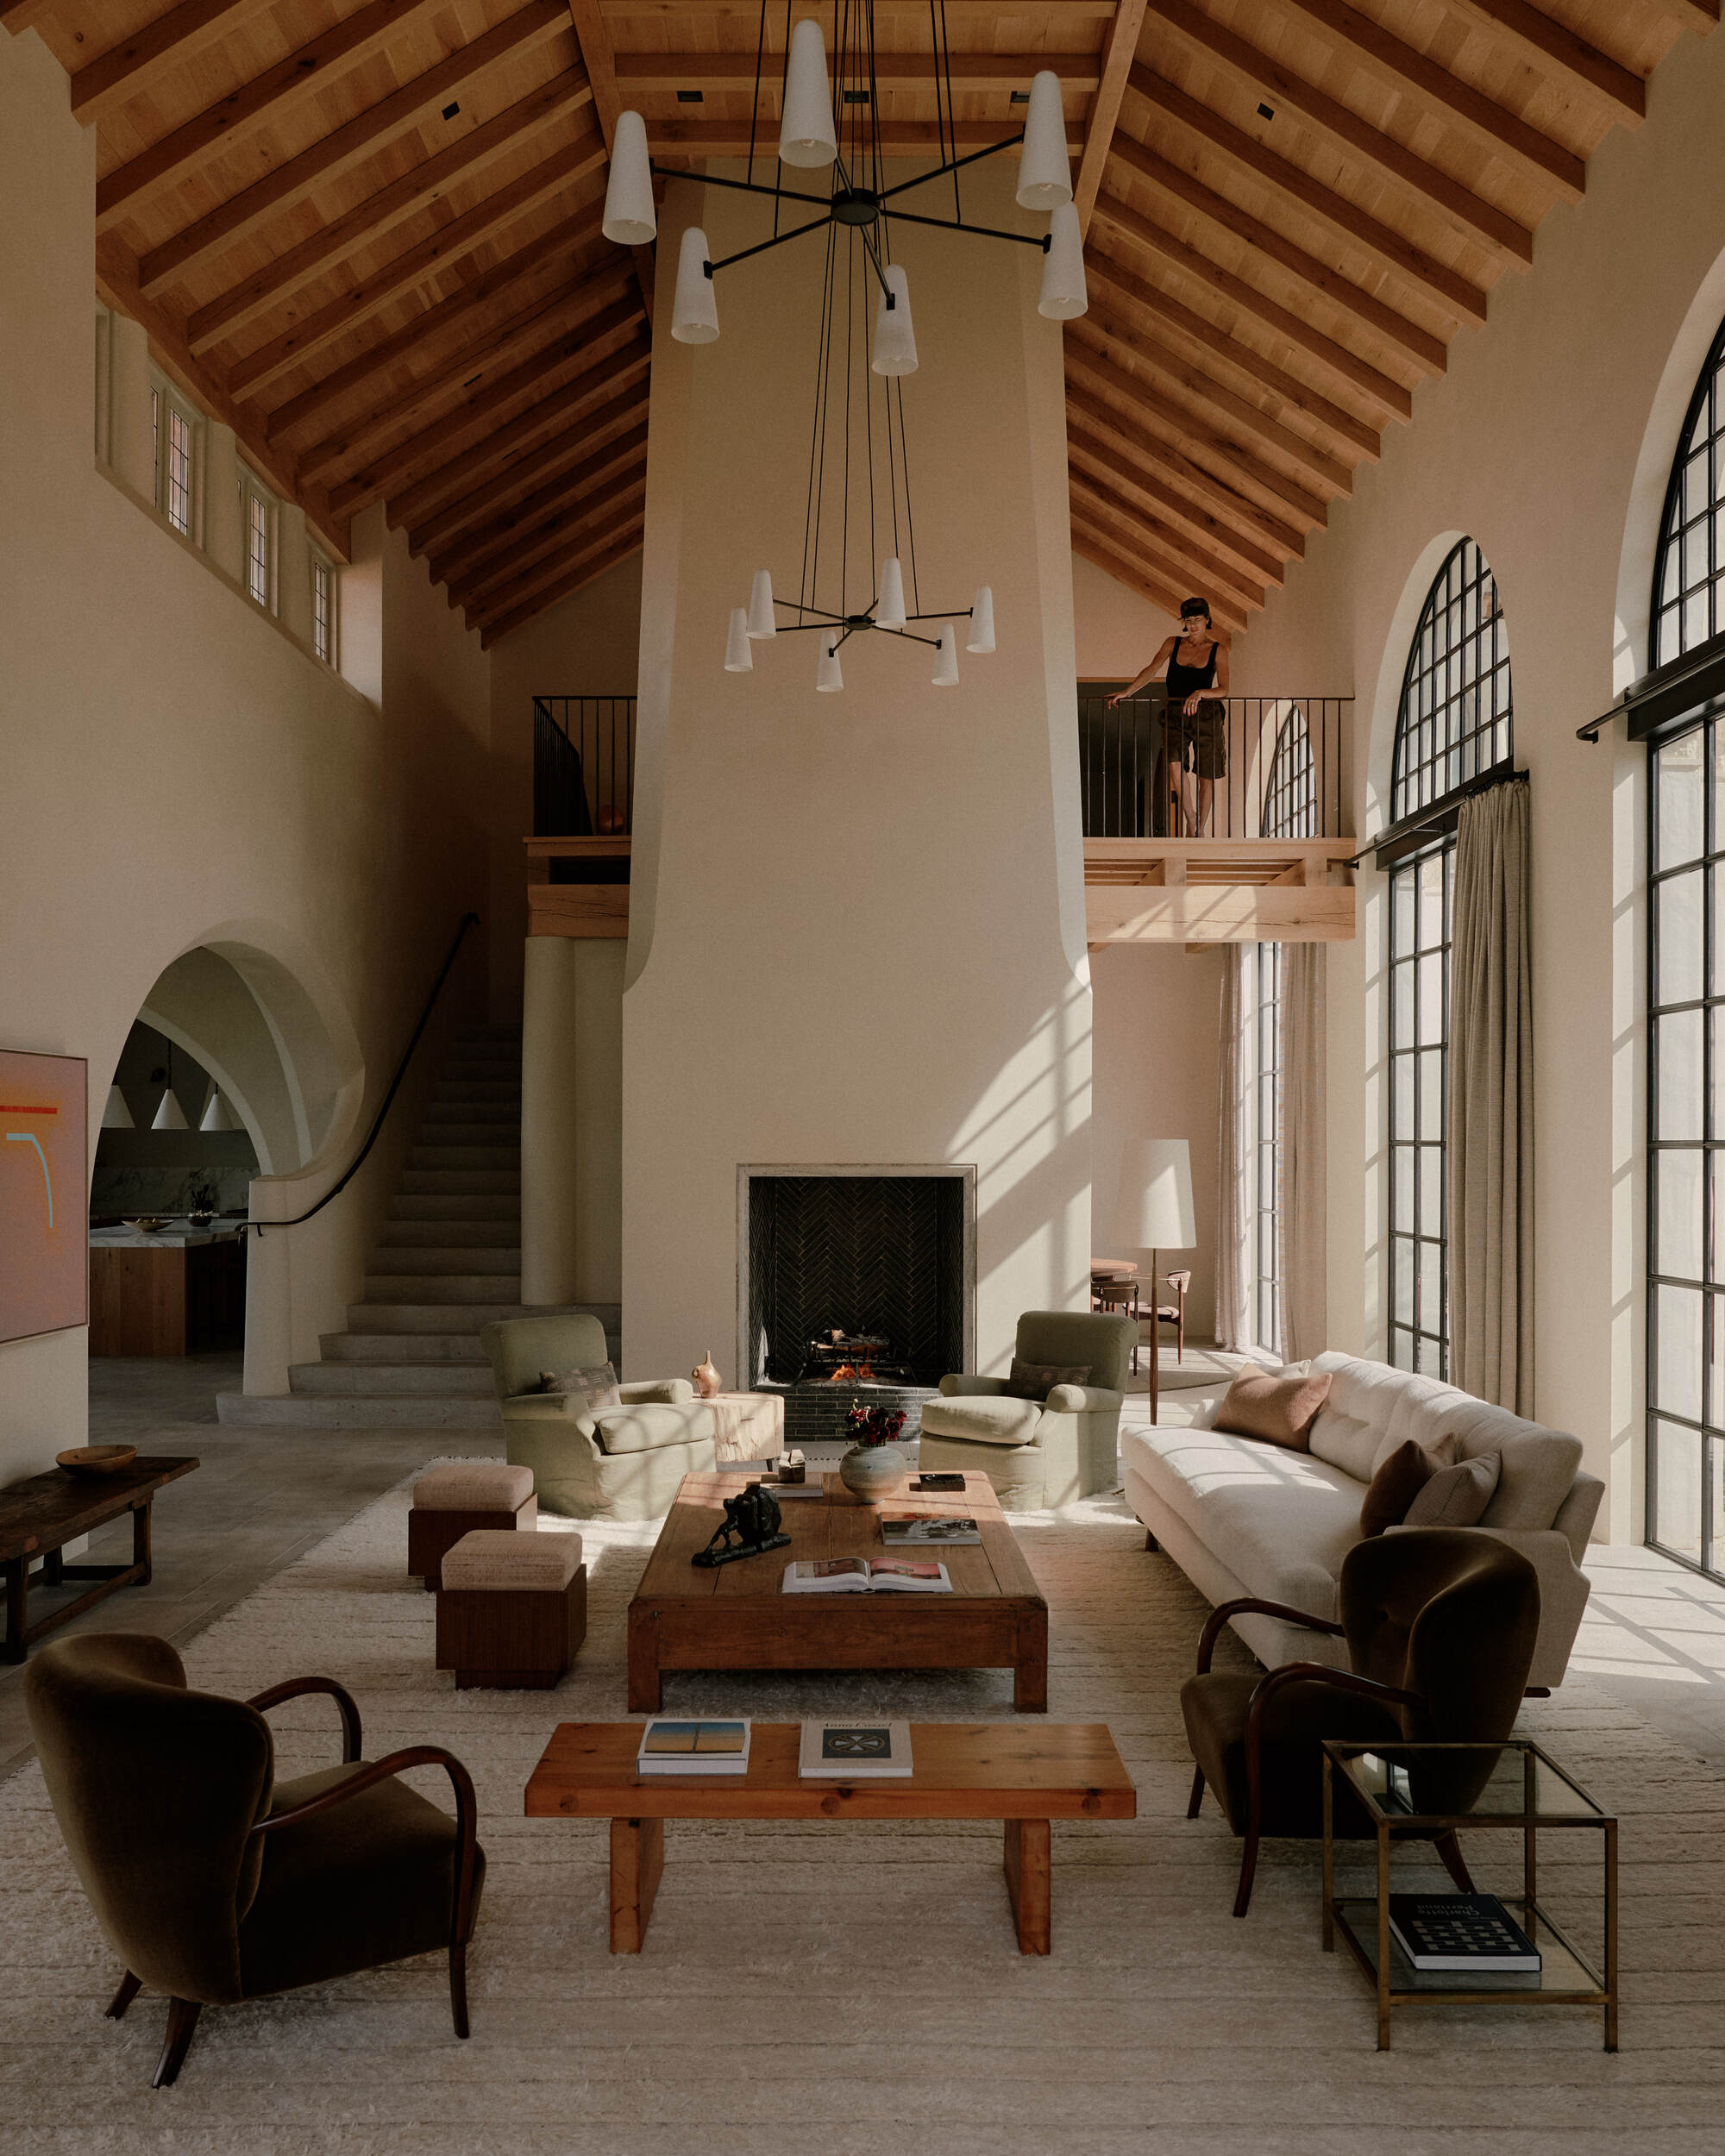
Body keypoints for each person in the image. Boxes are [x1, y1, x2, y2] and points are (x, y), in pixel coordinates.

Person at [1109, 597, 1230, 836]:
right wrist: (1127, 691)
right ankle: (1191, 818)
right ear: (1184, 622)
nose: (1193, 624)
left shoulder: (1218, 650)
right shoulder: (1173, 643)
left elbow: (1224, 689)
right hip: (1175, 711)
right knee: (1174, 764)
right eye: (1188, 620)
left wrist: (1200, 693)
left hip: (1206, 713)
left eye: (1197, 619)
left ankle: (1201, 830)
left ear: (1207, 620)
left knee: (1207, 773)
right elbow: (1152, 668)